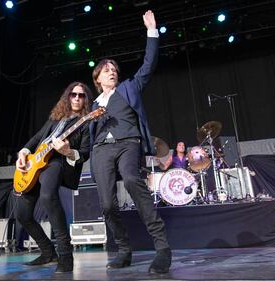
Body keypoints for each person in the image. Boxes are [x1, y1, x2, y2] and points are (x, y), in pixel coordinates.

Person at [89, 10, 171, 274]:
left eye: (114, 69)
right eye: (106, 70)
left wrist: (151, 31)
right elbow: (84, 138)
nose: (112, 72)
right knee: (107, 204)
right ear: (98, 78)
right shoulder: (92, 106)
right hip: (101, 151)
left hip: (128, 142)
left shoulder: (129, 87)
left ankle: (162, 249)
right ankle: (124, 250)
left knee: (133, 179)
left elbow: (149, 63)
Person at [14, 82, 92, 273]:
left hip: (56, 162)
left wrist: (67, 151)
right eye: (73, 94)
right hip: (34, 165)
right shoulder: (56, 118)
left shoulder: (86, 122)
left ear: (86, 100)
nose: (76, 98)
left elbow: (84, 153)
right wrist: (23, 153)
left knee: (48, 196)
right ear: (67, 96)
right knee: (22, 215)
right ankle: (48, 252)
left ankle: (65, 255)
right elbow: (37, 138)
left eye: (81, 96)